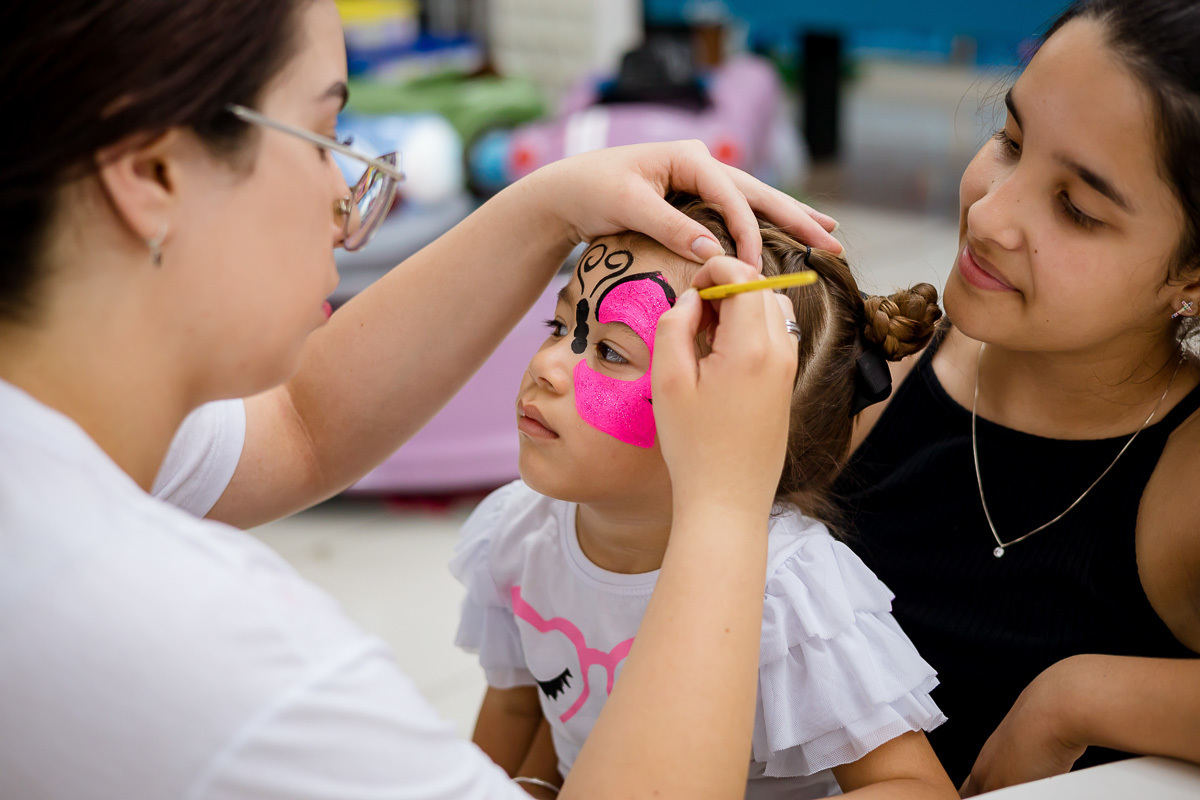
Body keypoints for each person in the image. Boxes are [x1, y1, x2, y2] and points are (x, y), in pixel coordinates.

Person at [0, 1, 845, 798]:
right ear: (152, 169)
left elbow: (303, 423)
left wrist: (551, 203)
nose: (350, 200)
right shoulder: (225, 670)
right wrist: (725, 502)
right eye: (324, 133)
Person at [451, 195, 955, 799]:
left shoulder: (791, 589)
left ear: (736, 418)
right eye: (560, 327)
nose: (549, 367)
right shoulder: (519, 531)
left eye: (611, 351)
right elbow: (514, 713)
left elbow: (916, 788)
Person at [830, 0, 1200, 794]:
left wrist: (1072, 700)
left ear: (1191, 279)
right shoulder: (882, 365)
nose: (989, 215)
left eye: (1076, 208)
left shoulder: (1185, 477)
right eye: (1010, 142)